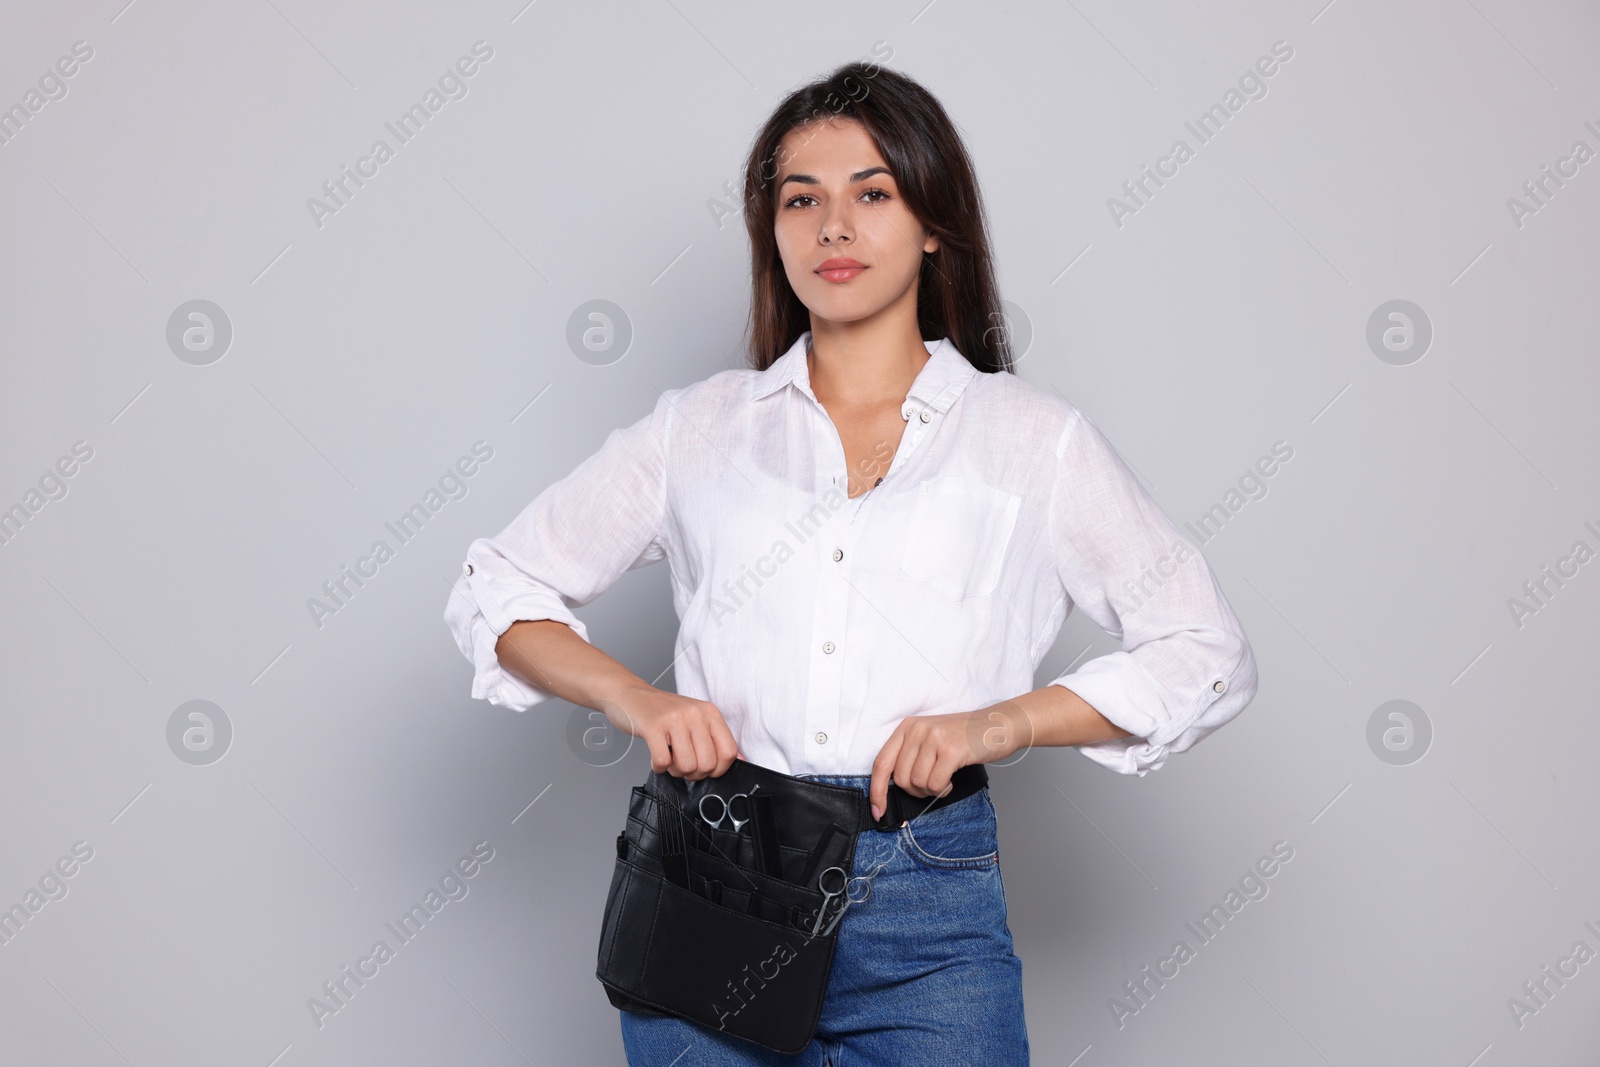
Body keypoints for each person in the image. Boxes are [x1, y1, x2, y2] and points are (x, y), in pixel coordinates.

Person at [443, 60, 1257, 1066]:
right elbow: (500, 587)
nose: (833, 226)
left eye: (871, 193)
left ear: (931, 224)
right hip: (718, 880)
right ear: (771, 231)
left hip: (930, 904)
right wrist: (637, 702)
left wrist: (1001, 721)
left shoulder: (1030, 441)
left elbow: (1204, 649)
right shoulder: (696, 432)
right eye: (801, 199)